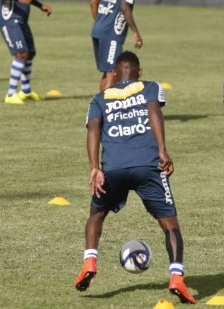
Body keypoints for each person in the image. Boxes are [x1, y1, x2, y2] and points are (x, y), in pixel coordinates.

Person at [75, 51, 196, 304]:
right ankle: (177, 277)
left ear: (114, 75)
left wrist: (94, 167)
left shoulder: (99, 98)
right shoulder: (150, 87)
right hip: (148, 166)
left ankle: (90, 261)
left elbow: (93, 130)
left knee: (96, 215)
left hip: (113, 168)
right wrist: (162, 149)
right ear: (139, 72)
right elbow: (154, 112)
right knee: (170, 225)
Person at [90, 0, 145, 91]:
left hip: (98, 30)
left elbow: (94, 1)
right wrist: (136, 33)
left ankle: (102, 109)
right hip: (111, 34)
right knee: (112, 73)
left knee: (107, 72)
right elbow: (125, 6)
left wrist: (100, 22)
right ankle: (106, 110)